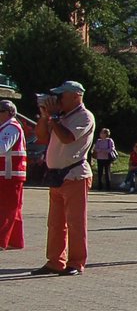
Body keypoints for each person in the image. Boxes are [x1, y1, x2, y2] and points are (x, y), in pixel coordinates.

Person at [31, 82, 95, 275]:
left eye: (62, 96)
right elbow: (42, 137)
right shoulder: (60, 117)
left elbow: (68, 138)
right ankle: (55, 261)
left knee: (76, 223)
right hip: (56, 176)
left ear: (76, 96)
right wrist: (45, 117)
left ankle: (76, 262)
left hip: (75, 175)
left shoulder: (84, 116)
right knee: (55, 223)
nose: (57, 100)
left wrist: (54, 119)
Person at [0, 100, 27, 250]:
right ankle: (15, 241)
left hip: (9, 174)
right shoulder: (6, 127)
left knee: (6, 208)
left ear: (8, 113)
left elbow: (2, 148)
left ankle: (1, 241)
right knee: (13, 208)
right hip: (8, 174)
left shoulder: (11, 127)